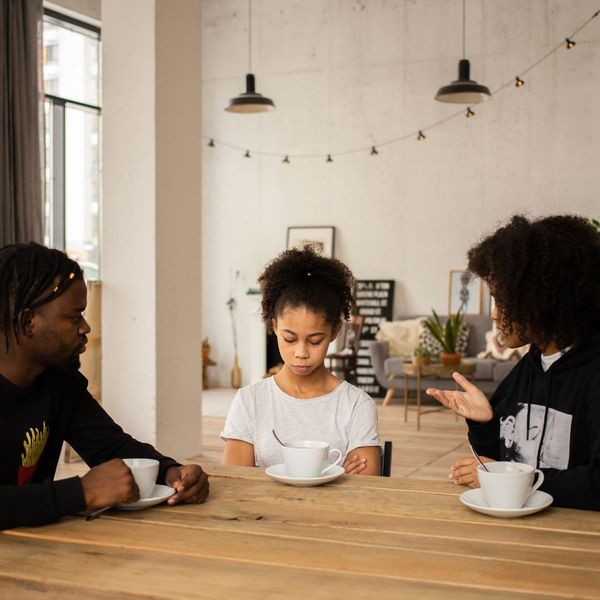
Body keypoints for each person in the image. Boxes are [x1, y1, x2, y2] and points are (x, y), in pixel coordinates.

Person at [0, 243, 209, 530]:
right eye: (74, 317)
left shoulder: (59, 380)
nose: (86, 327)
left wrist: (170, 471)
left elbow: (109, 445)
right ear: (28, 322)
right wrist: (80, 492)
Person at [426, 215, 600, 510]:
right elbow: (501, 460)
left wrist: (514, 482)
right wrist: (485, 424)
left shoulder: (593, 373)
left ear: (545, 299)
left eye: (503, 300)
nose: (495, 314)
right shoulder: (528, 368)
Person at [221, 246, 380, 475]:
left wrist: (267, 473)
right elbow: (235, 482)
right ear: (274, 326)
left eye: (315, 341)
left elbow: (364, 488)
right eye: (289, 339)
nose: (301, 352)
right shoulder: (250, 401)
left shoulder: (356, 405)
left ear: (335, 331)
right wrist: (335, 474)